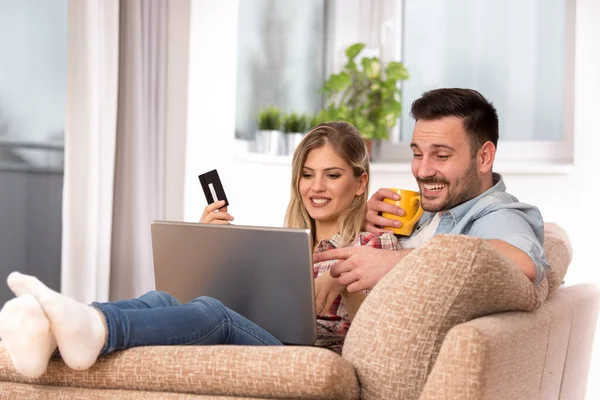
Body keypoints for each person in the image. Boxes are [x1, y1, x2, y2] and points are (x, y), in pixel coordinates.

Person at [0, 121, 398, 378]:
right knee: (163, 298)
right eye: (308, 175)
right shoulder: (286, 243)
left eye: (333, 175)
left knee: (213, 314)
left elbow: (372, 339)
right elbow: (245, 303)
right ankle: (59, 328)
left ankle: (97, 331)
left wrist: (344, 279)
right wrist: (212, 249)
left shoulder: (372, 244)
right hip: (266, 334)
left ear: (360, 182)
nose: (317, 187)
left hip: (310, 354)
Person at [315, 88, 549, 293]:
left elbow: (525, 261)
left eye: (441, 156)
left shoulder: (495, 214)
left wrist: (394, 262)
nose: (422, 170)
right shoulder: (434, 206)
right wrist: (364, 222)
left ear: (484, 157)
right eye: (417, 154)